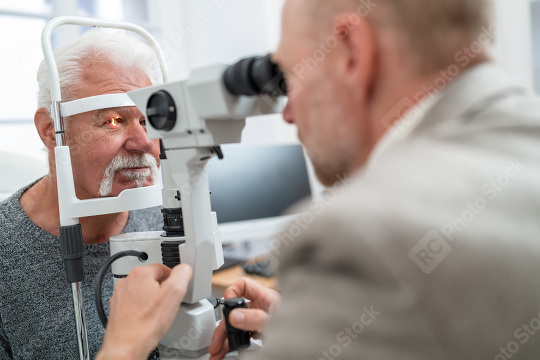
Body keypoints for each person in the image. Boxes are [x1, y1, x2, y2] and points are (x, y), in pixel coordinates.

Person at [100, 0, 540, 359]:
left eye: (291, 78)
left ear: (353, 53)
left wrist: (121, 348)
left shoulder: (360, 236)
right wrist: (326, 330)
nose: (288, 113)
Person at [0, 29, 164, 359]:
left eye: (148, 121)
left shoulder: (168, 214)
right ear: (51, 132)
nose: (143, 142)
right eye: (113, 121)